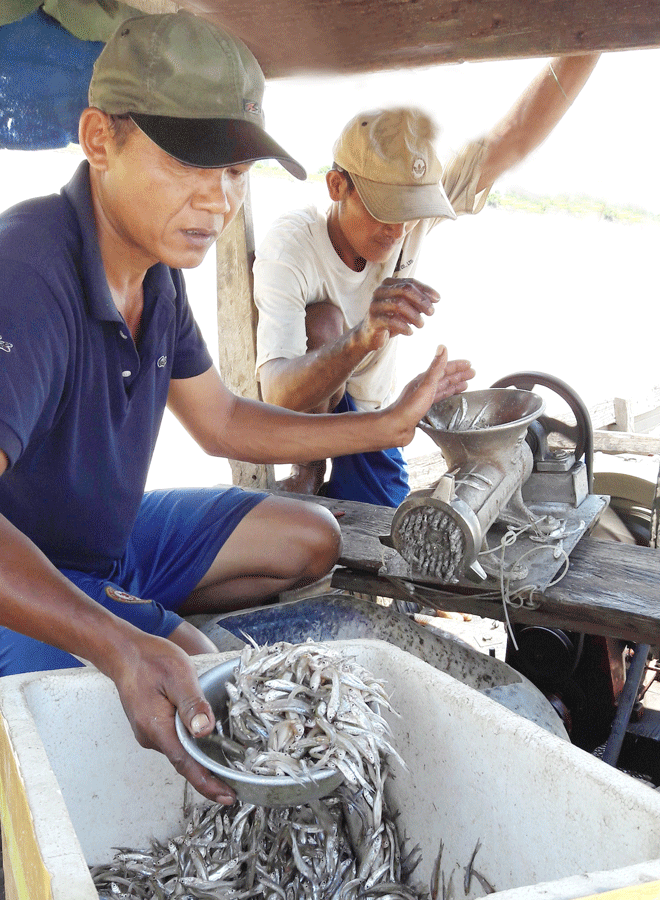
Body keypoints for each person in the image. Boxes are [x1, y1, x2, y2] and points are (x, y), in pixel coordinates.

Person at [0, 11, 471, 805]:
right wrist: (120, 642)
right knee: (196, 675)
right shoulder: (28, 268)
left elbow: (218, 418)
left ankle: (128, 605)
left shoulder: (155, 275)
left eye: (236, 173)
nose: (218, 200)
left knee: (310, 536)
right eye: (194, 161)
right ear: (99, 138)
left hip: (108, 539)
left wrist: (381, 428)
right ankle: (121, 621)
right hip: (31, 567)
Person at [253, 53, 600, 507]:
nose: (399, 230)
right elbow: (277, 392)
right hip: (308, 416)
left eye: (411, 210)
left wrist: (587, 45)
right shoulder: (292, 246)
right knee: (326, 322)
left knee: (389, 527)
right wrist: (363, 338)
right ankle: (308, 470)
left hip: (372, 419)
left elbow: (510, 140)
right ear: (337, 186)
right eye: (385, 208)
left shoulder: (409, 224)